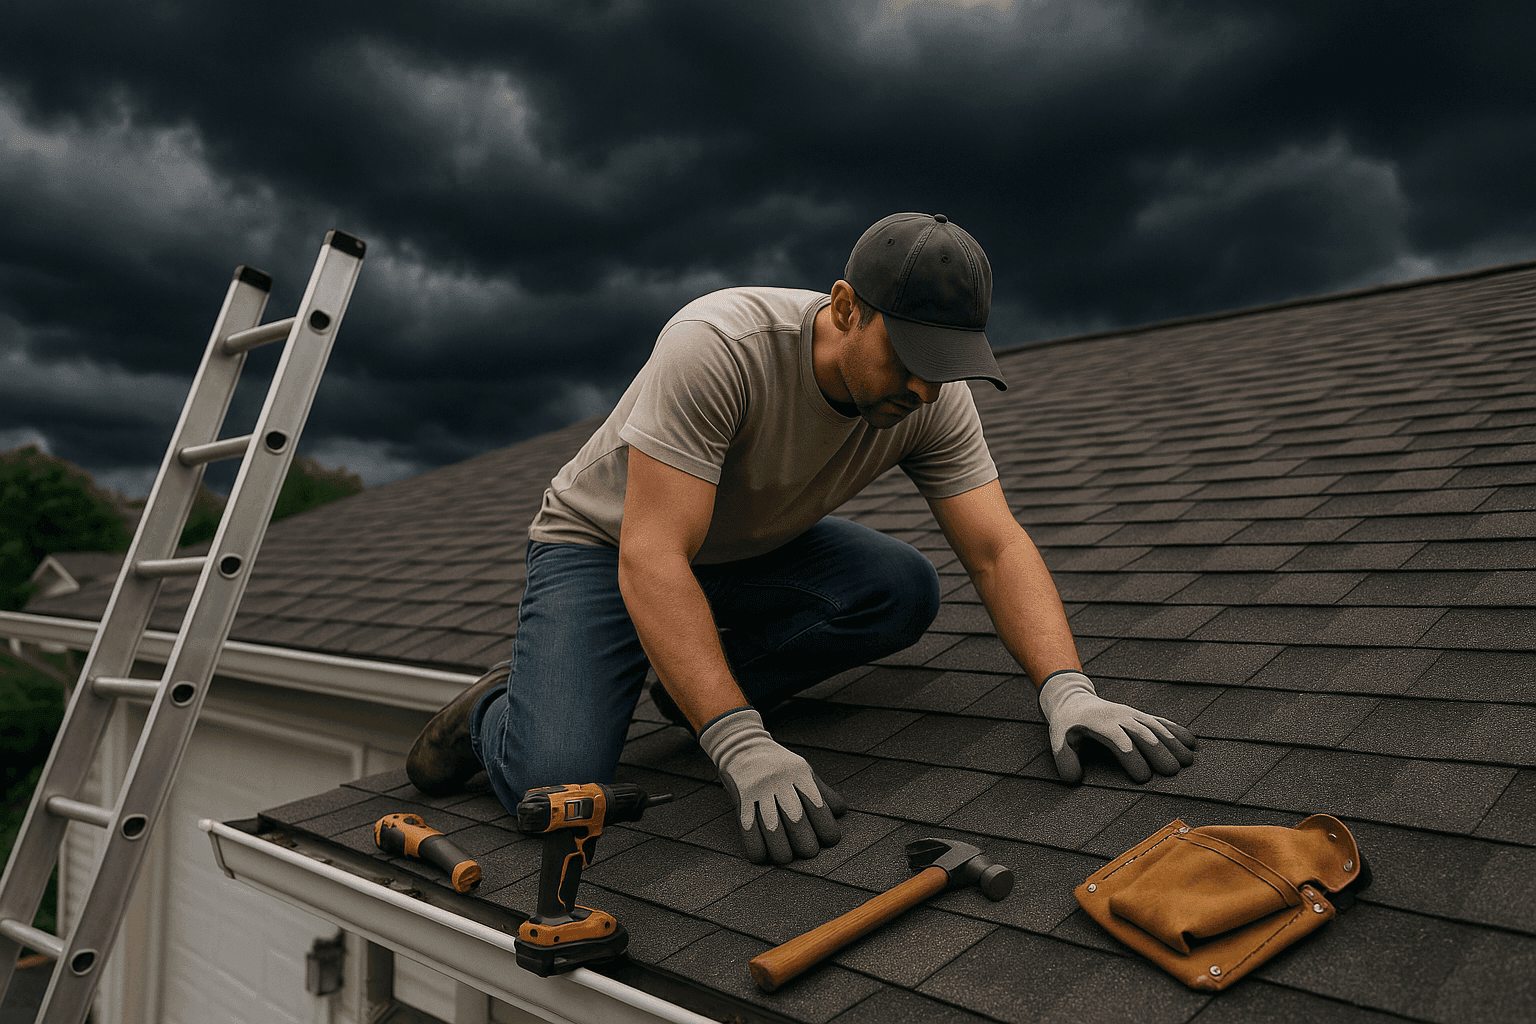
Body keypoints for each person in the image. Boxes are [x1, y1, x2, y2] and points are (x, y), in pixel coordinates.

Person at [406, 212, 1197, 864]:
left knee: (900, 587)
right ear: (847, 307)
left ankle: (694, 685)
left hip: (743, 547)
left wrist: (1067, 690)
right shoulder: (720, 347)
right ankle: (488, 716)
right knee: (557, 781)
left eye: (947, 365)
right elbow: (652, 557)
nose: (925, 388)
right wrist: (741, 744)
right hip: (607, 545)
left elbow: (996, 548)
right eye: (911, 358)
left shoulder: (932, 400)